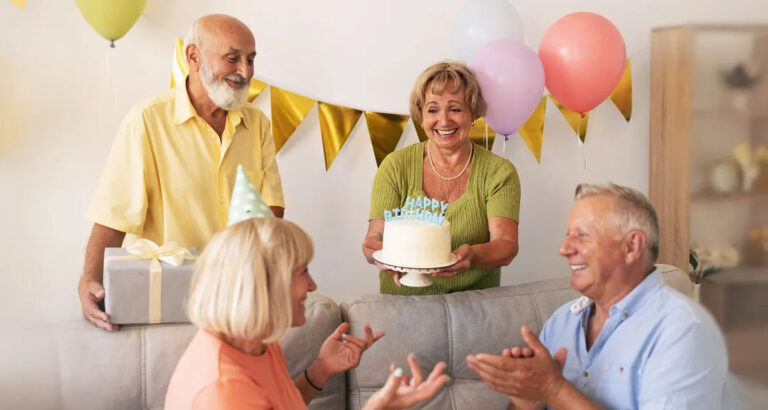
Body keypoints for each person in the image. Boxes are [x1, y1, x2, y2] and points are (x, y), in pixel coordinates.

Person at [78, 14, 285, 331]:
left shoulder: (258, 124)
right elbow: (113, 217)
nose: (245, 72)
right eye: (232, 59)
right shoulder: (147, 122)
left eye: (251, 60)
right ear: (193, 56)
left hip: (237, 302)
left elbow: (272, 212)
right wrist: (89, 280)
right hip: (168, 303)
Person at [466, 183, 731, 409]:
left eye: (582, 236)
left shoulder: (683, 331)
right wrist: (525, 398)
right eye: (567, 236)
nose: (564, 248)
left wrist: (553, 390)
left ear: (631, 246)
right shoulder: (562, 322)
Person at [164, 218, 449, 410]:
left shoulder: (255, 342)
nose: (313, 285)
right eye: (303, 272)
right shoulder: (224, 391)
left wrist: (321, 370)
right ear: (265, 285)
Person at [362, 61, 520, 295]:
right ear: (421, 115)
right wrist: (377, 252)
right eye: (433, 110)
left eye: (455, 109)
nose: (443, 121)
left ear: (472, 113)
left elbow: (506, 245)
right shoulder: (395, 167)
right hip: (403, 305)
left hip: (473, 305)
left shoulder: (498, 172)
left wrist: (472, 255)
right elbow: (375, 236)